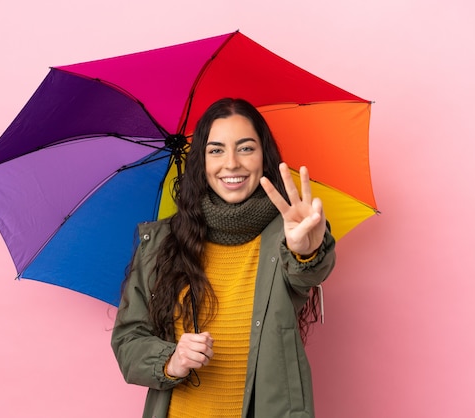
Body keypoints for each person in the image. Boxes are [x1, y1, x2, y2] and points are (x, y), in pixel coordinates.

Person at [111, 98, 336, 418]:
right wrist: (171, 360)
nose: (231, 163)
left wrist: (305, 251)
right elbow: (128, 341)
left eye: (246, 148)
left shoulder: (288, 232)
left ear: (264, 156)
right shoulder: (162, 242)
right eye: (216, 150)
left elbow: (306, 275)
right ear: (200, 161)